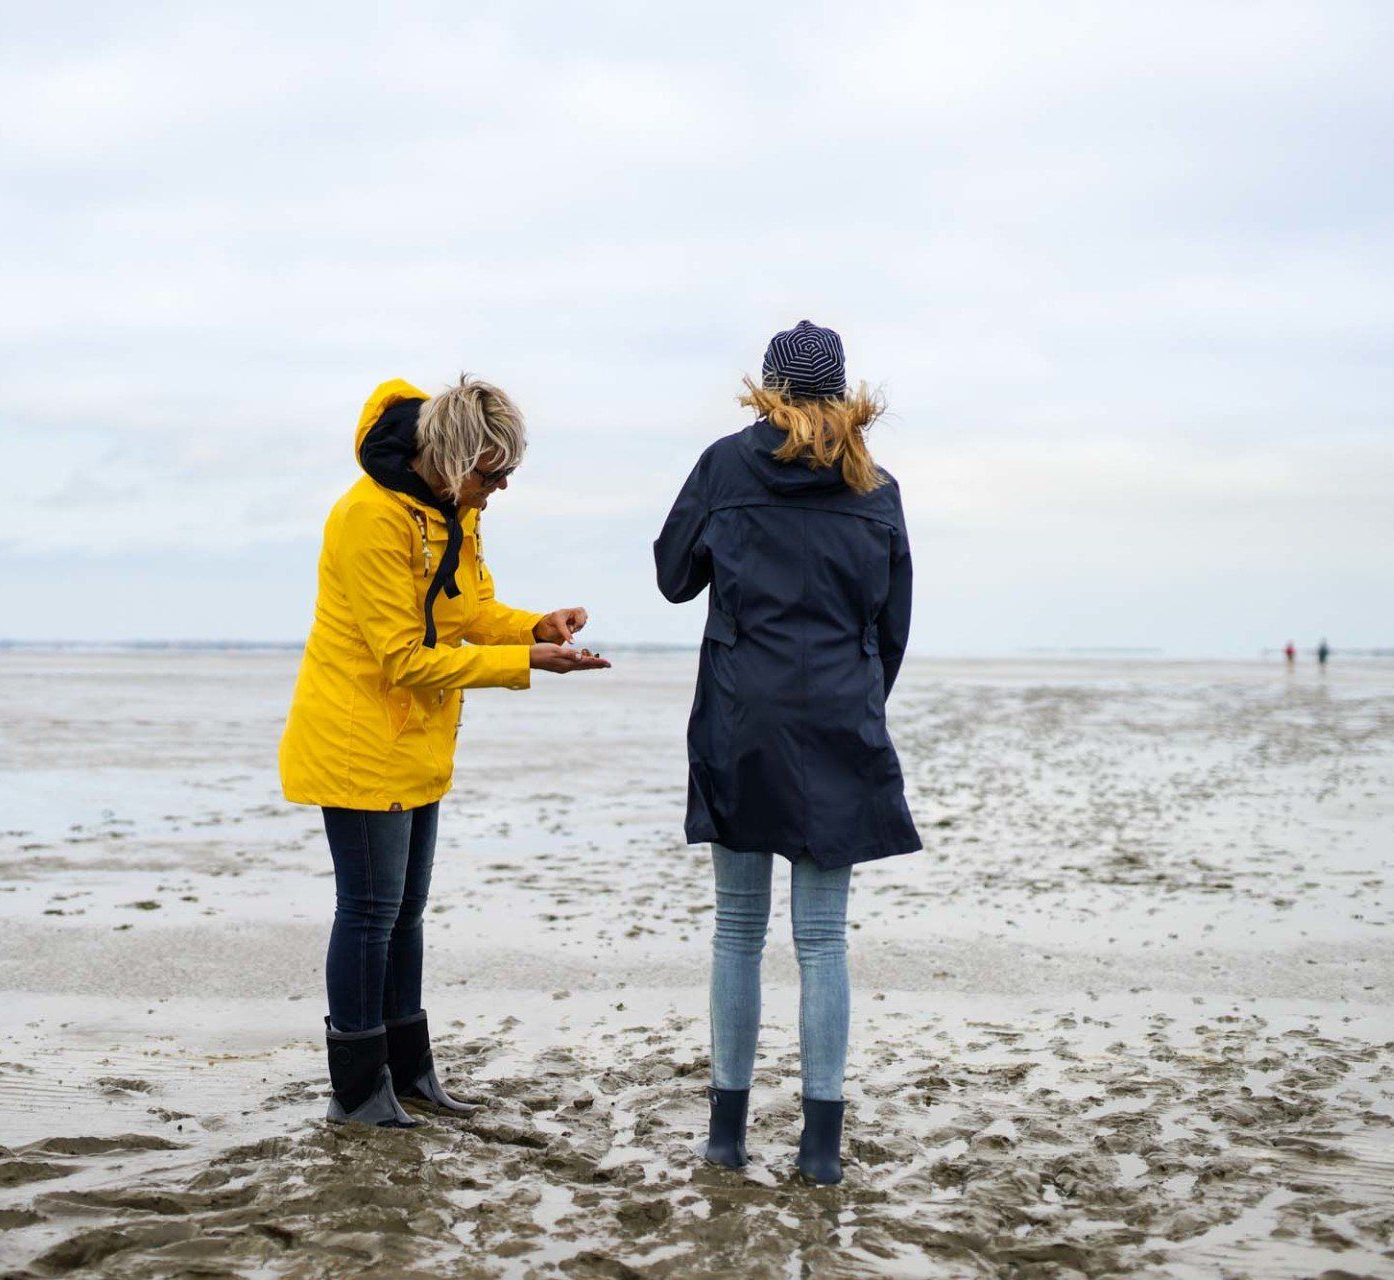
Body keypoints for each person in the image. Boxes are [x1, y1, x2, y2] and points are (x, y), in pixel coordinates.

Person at [279, 375, 609, 1127]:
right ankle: (359, 1092)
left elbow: (472, 612)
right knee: (368, 912)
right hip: (357, 741)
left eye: (506, 477)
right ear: (453, 456)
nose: (496, 492)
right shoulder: (368, 517)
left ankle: (410, 1073)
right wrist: (524, 666)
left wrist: (536, 628)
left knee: (407, 913)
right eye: (490, 475)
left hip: (419, 741)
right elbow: (404, 657)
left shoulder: (451, 509)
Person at [653, 321, 921, 1183]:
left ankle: (726, 1138)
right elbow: (893, 627)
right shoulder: (875, 485)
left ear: (766, 385)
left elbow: (672, 575)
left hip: (743, 718)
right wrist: (855, 703)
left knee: (737, 930)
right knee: (822, 941)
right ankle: (820, 1151)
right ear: (843, 394)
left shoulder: (726, 464)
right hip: (839, 719)